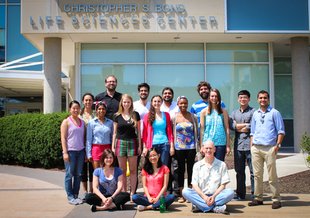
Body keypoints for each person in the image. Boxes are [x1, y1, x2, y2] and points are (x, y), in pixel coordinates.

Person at [248, 90, 285, 209]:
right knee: (257, 175)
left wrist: (277, 145)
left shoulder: (275, 113)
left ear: (268, 99)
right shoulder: (255, 114)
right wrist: (251, 146)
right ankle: (258, 198)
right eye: (260, 98)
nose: (262, 100)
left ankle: (276, 199)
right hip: (256, 148)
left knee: (272, 175)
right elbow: (252, 132)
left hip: (270, 148)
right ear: (257, 99)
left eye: (265, 98)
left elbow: (281, 131)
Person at [182, 141, 234, 214]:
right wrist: (204, 197)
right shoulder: (197, 165)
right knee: (185, 191)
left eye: (210, 148)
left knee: (230, 192)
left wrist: (213, 196)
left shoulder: (222, 165)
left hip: (216, 196)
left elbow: (223, 185)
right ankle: (216, 208)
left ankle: (200, 206)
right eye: (206, 148)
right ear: (203, 149)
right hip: (201, 195)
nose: (208, 150)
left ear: (214, 150)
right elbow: (194, 185)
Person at [112, 94, 141, 199]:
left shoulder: (135, 115)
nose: (126, 104)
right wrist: (113, 146)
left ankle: (132, 193)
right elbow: (114, 133)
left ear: (131, 103)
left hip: (133, 142)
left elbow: (139, 132)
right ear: (121, 103)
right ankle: (124, 193)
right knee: (122, 170)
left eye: (128, 102)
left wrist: (140, 146)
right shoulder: (116, 116)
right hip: (120, 142)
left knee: (133, 170)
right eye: (124, 102)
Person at [229, 90, 255, 200]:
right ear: (238, 99)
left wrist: (241, 126)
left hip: (251, 145)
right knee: (239, 171)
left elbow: (254, 125)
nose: (242, 99)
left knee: (253, 171)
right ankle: (240, 194)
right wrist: (244, 126)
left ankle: (255, 194)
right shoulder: (234, 113)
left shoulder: (254, 112)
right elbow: (231, 125)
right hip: (238, 146)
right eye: (240, 97)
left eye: (245, 97)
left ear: (249, 99)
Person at [173, 96, 198, 203]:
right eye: (181, 103)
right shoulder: (174, 117)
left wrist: (198, 145)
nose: (183, 105)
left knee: (191, 169)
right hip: (179, 148)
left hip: (191, 147)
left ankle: (190, 194)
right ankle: (182, 193)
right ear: (178, 104)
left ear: (187, 104)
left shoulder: (193, 116)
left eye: (185, 103)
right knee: (180, 170)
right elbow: (172, 132)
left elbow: (196, 131)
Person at [60, 100, 85, 205]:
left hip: (81, 151)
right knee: (69, 174)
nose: (75, 110)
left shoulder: (82, 122)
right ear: (70, 109)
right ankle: (70, 196)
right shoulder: (66, 122)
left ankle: (75, 195)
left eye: (77, 108)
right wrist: (65, 152)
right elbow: (63, 138)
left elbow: (83, 137)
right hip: (70, 152)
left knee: (78, 175)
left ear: (80, 109)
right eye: (73, 108)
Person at [142, 95, 174, 166]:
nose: (157, 103)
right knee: (153, 167)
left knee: (164, 166)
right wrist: (144, 147)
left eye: (159, 101)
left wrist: (171, 146)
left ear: (162, 102)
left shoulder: (166, 115)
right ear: (152, 103)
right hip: (152, 145)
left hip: (164, 144)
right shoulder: (147, 116)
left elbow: (169, 132)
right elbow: (145, 133)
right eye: (155, 101)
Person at [200, 88, 230, 161]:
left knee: (219, 167)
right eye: (212, 96)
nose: (214, 98)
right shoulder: (203, 112)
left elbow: (227, 128)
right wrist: (202, 145)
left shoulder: (223, 112)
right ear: (209, 97)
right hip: (208, 143)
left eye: (216, 96)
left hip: (220, 143)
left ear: (218, 98)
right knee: (208, 166)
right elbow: (202, 130)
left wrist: (228, 145)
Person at [86, 101, 113, 169]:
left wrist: (113, 150)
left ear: (105, 110)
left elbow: (112, 137)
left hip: (107, 148)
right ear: (96, 110)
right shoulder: (91, 123)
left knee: (106, 171)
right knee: (97, 172)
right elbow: (89, 139)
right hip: (96, 148)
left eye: (103, 109)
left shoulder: (110, 122)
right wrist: (88, 153)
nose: (101, 110)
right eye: (99, 109)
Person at [80, 93, 95, 197]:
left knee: (93, 169)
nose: (88, 102)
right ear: (83, 101)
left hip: (93, 145)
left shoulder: (96, 114)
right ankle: (85, 192)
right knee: (83, 170)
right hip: (81, 145)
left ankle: (92, 191)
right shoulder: (79, 115)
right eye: (86, 100)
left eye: (90, 100)